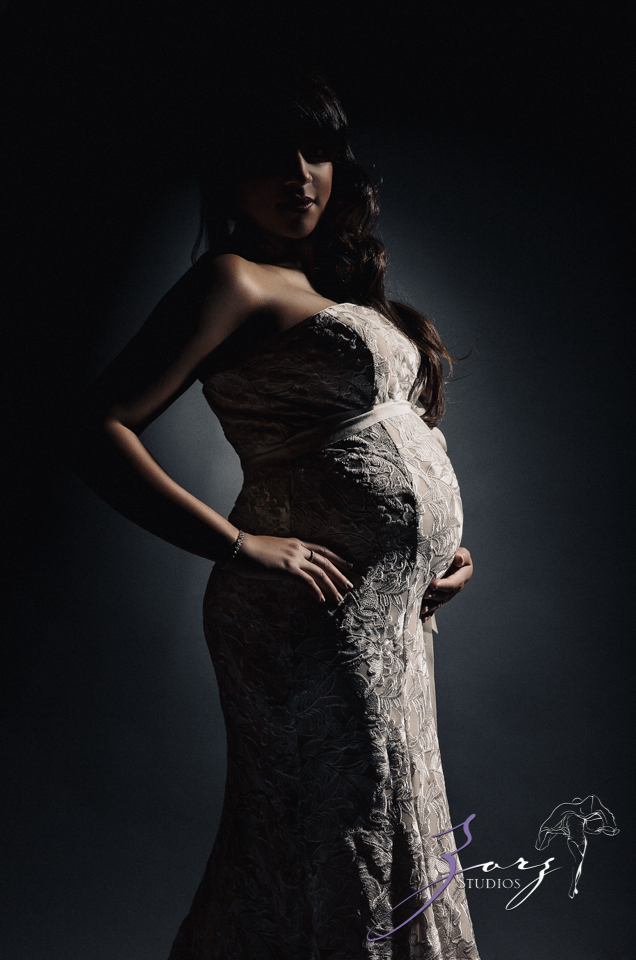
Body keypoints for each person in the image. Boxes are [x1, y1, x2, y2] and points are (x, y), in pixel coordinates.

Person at [70, 71, 480, 960]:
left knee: (394, 816)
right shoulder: (232, 280)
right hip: (306, 617)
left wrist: (436, 555)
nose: (299, 175)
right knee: (327, 833)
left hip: (390, 619)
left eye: (317, 152)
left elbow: (393, 441)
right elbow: (98, 427)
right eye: (270, 157)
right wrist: (238, 544)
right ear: (228, 176)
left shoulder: (329, 284)